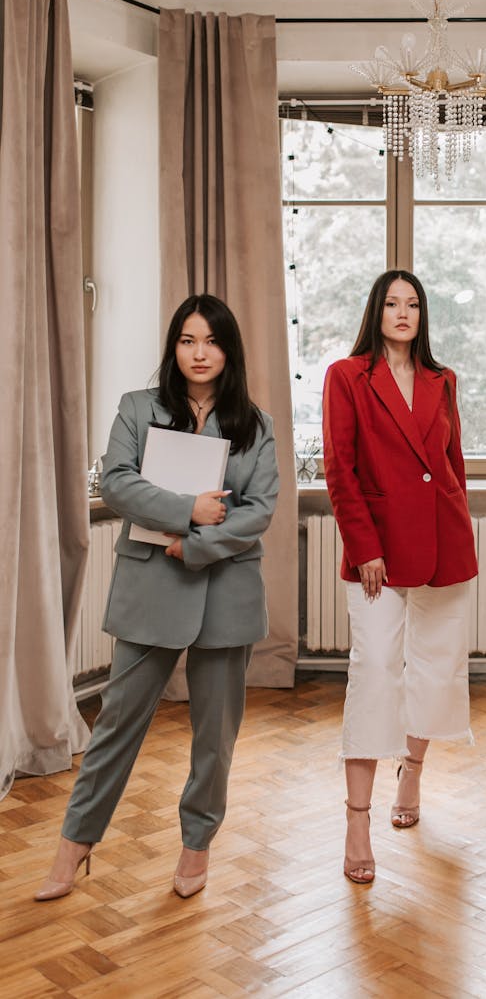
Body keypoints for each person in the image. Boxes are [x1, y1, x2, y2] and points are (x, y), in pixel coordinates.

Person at [35, 294, 279, 901]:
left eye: (213, 342)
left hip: (226, 593)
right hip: (150, 589)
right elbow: (117, 482)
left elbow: (259, 510)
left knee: (214, 738)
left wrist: (194, 544)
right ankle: (74, 845)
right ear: (173, 347)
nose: (201, 353)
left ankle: (196, 847)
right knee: (116, 724)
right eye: (188, 340)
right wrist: (187, 509)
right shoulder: (137, 408)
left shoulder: (257, 422)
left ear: (230, 350)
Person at [322, 269, 478, 884]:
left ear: (424, 315)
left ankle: (410, 776)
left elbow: (453, 465)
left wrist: (460, 526)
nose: (403, 313)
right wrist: (364, 547)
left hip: (445, 545)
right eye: (392, 303)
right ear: (376, 311)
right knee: (375, 673)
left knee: (437, 669)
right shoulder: (347, 376)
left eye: (413, 304)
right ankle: (357, 819)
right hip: (378, 556)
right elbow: (340, 467)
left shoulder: (444, 381)